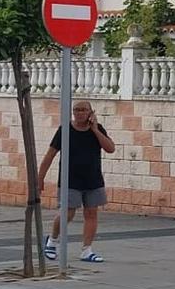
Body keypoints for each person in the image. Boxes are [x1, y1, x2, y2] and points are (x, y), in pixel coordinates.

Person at [38, 99, 116, 262]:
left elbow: (110, 148)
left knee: (91, 213)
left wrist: (95, 130)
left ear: (90, 113)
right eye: (76, 110)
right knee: (67, 212)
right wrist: (40, 178)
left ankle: (87, 250)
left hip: (93, 179)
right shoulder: (65, 130)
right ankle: (52, 241)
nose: (80, 113)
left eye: (83, 110)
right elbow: (50, 155)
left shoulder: (98, 129)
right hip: (70, 180)